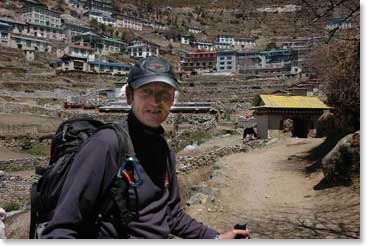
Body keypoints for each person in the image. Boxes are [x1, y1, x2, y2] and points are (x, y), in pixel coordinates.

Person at [41, 56, 250, 239]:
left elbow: (170, 214)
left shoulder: (163, 150)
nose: (155, 102)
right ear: (130, 96)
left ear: (173, 99)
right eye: (146, 92)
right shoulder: (106, 145)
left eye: (164, 94)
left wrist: (215, 238)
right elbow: (60, 230)